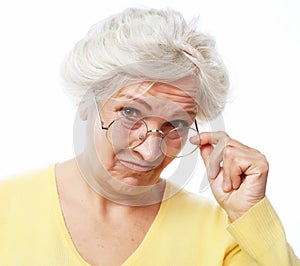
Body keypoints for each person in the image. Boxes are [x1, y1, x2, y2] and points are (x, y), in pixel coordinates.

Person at [0, 7, 299, 266]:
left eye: (178, 124)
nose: (151, 152)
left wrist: (252, 217)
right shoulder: (7, 206)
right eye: (130, 113)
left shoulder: (223, 232)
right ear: (86, 106)